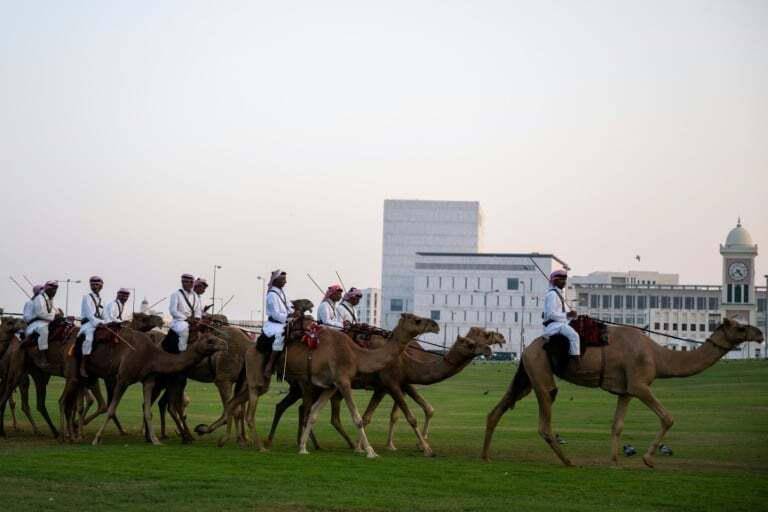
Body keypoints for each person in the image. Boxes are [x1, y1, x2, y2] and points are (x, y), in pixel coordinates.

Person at [261, 269, 294, 383]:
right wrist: (289, 316)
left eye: (285, 279)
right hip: (273, 325)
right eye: (283, 279)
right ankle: (270, 365)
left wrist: (296, 312)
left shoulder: (282, 293)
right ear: (275, 280)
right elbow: (275, 314)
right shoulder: (271, 295)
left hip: (283, 323)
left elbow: (289, 308)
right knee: (281, 336)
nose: (285, 281)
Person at [542, 269, 580, 359]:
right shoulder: (552, 295)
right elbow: (551, 314)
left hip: (561, 324)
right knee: (574, 336)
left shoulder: (560, 295)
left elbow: (563, 315)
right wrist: (567, 315)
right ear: (555, 281)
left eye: (565, 279)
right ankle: (575, 360)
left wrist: (572, 316)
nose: (564, 282)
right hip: (554, 326)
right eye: (561, 279)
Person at [24, 280, 59, 369]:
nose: (41, 292)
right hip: (34, 324)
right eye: (40, 290)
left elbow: (49, 313)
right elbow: (28, 318)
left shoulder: (48, 300)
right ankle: (41, 355)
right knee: (44, 331)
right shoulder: (30, 302)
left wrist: (57, 315)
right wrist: (52, 316)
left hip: (45, 321)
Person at [78, 276, 107, 376]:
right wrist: (98, 322)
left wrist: (106, 322)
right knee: (89, 339)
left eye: (97, 285)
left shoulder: (102, 300)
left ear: (101, 286)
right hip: (88, 324)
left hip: (100, 323)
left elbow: (104, 315)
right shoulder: (87, 297)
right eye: (92, 285)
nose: (94, 286)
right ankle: (83, 365)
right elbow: (90, 314)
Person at [169, 273, 202, 352]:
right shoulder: (175, 294)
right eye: (184, 282)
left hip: (193, 322)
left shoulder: (195, 296)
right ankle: (182, 351)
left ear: (192, 283)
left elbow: (198, 310)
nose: (186, 284)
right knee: (184, 330)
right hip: (179, 321)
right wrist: (186, 318)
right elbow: (173, 311)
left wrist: (197, 318)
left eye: (189, 282)